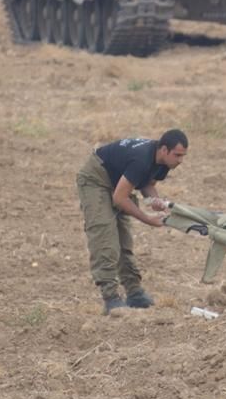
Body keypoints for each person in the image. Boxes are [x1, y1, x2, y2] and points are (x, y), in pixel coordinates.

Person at [75, 130, 188, 314]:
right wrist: (148, 219)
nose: (180, 160)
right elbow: (120, 198)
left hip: (117, 183)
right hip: (96, 180)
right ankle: (111, 297)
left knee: (124, 240)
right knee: (105, 237)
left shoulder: (164, 162)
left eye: (183, 156)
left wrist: (155, 200)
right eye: (177, 155)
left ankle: (134, 292)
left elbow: (147, 184)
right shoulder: (141, 159)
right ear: (164, 150)